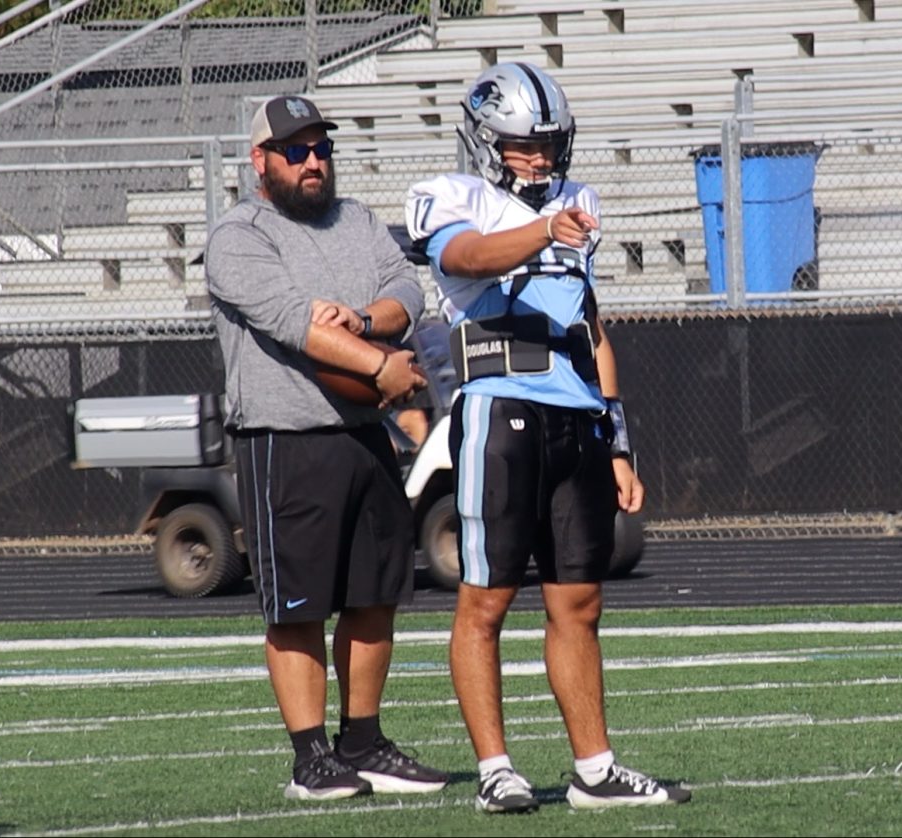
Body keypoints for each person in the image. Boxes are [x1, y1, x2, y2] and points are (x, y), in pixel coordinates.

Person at [405, 62, 692, 813]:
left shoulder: (576, 201)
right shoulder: (452, 196)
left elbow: (591, 325)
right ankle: (497, 769)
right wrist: (540, 230)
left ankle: (593, 768)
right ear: (484, 140)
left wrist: (619, 436)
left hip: (576, 418)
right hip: (500, 407)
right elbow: (465, 258)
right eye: (522, 145)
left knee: (580, 602)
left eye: (548, 144)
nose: (538, 158)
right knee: (486, 601)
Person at [205, 94, 448, 802]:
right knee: (299, 609)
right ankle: (310, 759)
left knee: (375, 597)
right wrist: (381, 366)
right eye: (296, 150)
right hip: (285, 437)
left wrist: (366, 317)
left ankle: (364, 742)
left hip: (363, 435)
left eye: (321, 148)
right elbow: (290, 322)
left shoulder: (359, 220)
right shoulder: (238, 236)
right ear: (261, 161)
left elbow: (409, 289)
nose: (314, 161)